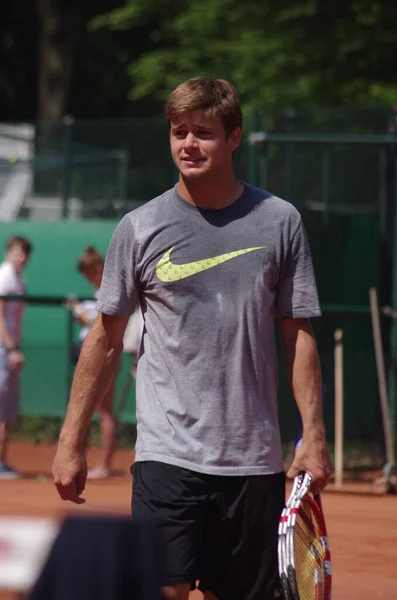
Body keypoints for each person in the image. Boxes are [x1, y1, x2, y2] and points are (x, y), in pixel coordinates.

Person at [52, 77, 332, 600]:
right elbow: (106, 339)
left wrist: (312, 435)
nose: (188, 144)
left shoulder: (280, 222)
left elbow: (298, 335)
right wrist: (71, 441)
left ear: (233, 138)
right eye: (179, 132)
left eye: (203, 132)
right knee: (164, 589)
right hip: (167, 455)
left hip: (254, 460)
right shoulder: (139, 227)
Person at [66, 246, 118, 480]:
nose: (90, 277)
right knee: (85, 410)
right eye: (87, 273)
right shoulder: (99, 292)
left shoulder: (107, 292)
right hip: (89, 355)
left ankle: (104, 465)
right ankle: (82, 460)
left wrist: (76, 308)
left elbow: (94, 323)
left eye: (93, 271)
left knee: (104, 411)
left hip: (103, 356)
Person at [0, 235, 32, 479]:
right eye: (16, 252)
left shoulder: (19, 280)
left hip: (10, 348)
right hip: (3, 349)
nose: (20, 257)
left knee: (8, 407)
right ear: (8, 253)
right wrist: (11, 348)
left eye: (24, 253)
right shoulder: (5, 277)